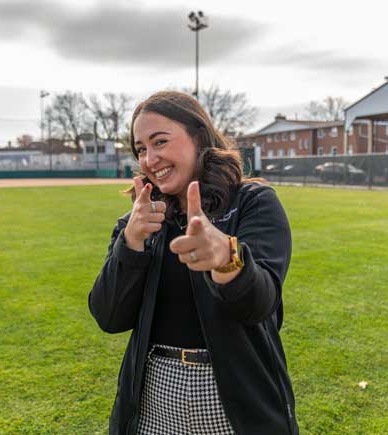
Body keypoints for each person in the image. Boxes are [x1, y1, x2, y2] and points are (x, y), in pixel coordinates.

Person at [89, 90, 298, 435]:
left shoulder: (253, 202)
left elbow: (261, 304)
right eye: (141, 149)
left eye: (160, 142)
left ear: (198, 137)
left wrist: (226, 259)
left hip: (233, 398)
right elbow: (109, 317)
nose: (149, 159)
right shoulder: (138, 221)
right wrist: (131, 242)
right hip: (154, 398)